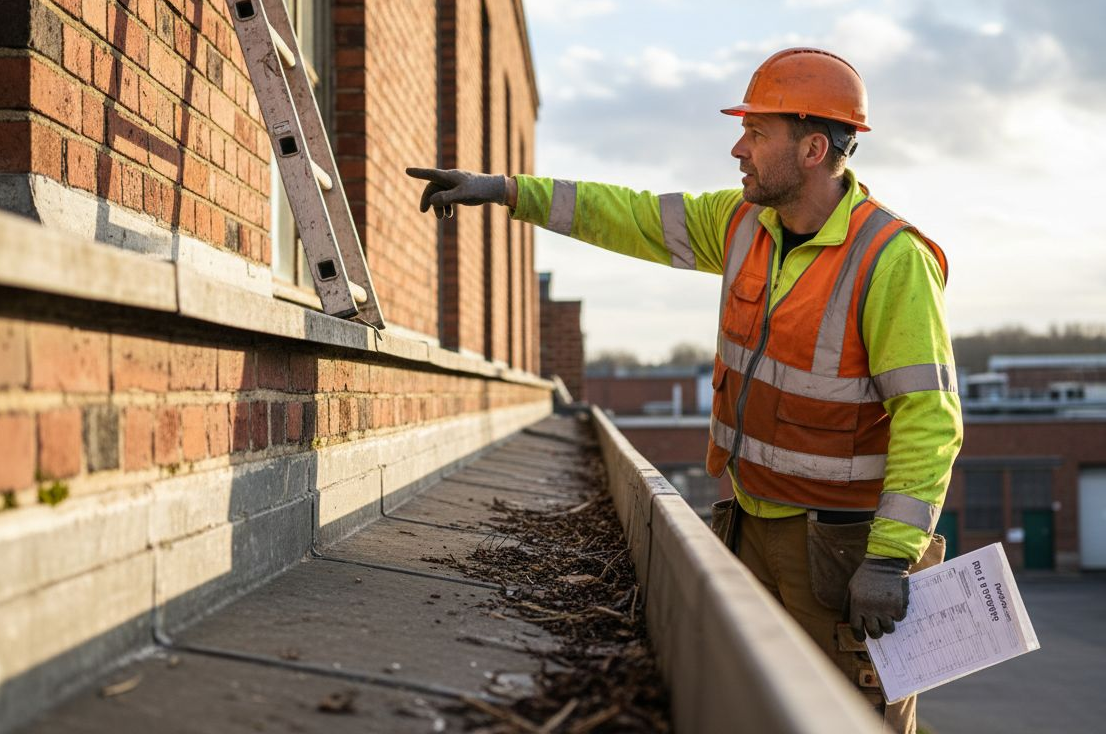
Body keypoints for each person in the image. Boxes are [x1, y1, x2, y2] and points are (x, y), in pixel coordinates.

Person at [407, 47, 961, 733]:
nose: (738, 148)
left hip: (842, 551)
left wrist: (889, 556)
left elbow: (929, 420)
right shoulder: (741, 224)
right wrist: (507, 190)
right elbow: (629, 215)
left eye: (757, 134)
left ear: (814, 147)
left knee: (850, 716)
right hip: (748, 522)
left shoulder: (891, 260)